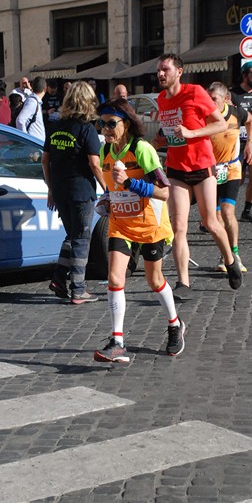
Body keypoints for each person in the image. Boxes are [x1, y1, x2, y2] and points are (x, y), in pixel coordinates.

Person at [92, 98, 184, 362]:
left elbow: (165, 192)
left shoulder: (142, 149)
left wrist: (132, 183)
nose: (105, 129)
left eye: (111, 123)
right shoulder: (105, 152)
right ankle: (117, 341)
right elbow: (112, 188)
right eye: (101, 123)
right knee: (114, 279)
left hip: (149, 225)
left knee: (154, 281)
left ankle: (175, 324)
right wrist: (107, 199)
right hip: (120, 224)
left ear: (127, 124)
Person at [156, 53, 242, 302]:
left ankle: (230, 260)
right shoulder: (162, 99)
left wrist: (191, 133)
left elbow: (220, 125)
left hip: (203, 167)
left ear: (178, 72)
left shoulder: (194, 92)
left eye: (165, 70)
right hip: (176, 169)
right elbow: (171, 131)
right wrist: (162, 138)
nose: (161, 74)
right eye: (159, 70)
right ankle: (183, 281)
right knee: (179, 227)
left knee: (211, 222)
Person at [42, 81, 106, 304]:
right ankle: (78, 289)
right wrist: (106, 188)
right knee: (81, 238)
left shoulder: (55, 126)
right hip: (80, 190)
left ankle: (59, 278)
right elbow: (94, 164)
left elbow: (45, 159)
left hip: (60, 190)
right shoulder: (86, 128)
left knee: (73, 235)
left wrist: (51, 188)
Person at [207, 82, 252, 274]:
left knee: (227, 212)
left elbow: (251, 121)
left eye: (214, 100)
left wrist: (249, 144)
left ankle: (235, 254)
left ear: (226, 99)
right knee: (216, 217)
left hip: (232, 168)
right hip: (210, 172)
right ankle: (224, 254)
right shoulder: (204, 116)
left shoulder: (237, 113)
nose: (209, 103)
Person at [231, 60, 252, 223]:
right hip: (235, 141)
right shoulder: (233, 94)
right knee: (236, 178)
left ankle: (247, 210)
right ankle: (225, 209)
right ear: (244, 75)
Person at [16, 76, 46, 141]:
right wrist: (26, 140)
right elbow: (20, 120)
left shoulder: (35, 101)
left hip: (36, 144)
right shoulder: (32, 102)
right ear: (45, 89)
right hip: (34, 146)